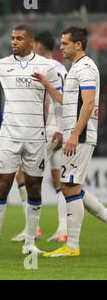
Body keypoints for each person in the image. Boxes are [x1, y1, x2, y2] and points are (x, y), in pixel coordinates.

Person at [0, 25, 61, 255]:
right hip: (9, 136)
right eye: (12, 38)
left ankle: (30, 244)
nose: (14, 42)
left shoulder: (47, 67)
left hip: (36, 136)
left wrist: (61, 129)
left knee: (35, 187)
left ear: (32, 41)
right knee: (3, 184)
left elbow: (57, 100)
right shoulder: (1, 65)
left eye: (19, 38)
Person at [32, 26, 107, 257]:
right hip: (74, 133)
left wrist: (74, 134)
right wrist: (48, 85)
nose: (60, 47)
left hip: (81, 136)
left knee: (69, 186)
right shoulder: (75, 68)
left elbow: (88, 103)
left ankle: (72, 246)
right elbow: (69, 101)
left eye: (65, 43)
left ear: (78, 45)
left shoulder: (85, 68)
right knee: (71, 187)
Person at [10, 30, 68, 243]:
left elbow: (46, 101)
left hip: (46, 130)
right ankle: (63, 229)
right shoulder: (62, 68)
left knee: (21, 174)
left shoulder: (42, 68)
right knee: (58, 180)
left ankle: (32, 229)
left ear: (40, 46)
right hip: (61, 129)